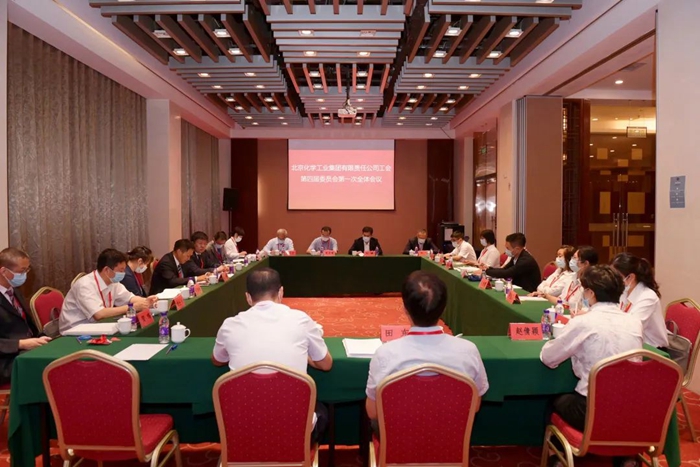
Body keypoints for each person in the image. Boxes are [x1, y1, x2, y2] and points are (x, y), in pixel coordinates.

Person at [211, 268, 332, 439]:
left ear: (248, 297)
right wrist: (305, 355)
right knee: (321, 410)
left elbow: (217, 360)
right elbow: (326, 364)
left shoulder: (229, 325)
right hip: (293, 428)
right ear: (281, 292)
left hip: (243, 427)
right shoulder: (301, 320)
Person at [540, 265, 643, 466]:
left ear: (590, 293)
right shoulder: (634, 322)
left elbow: (549, 358)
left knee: (553, 401)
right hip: (632, 407)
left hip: (591, 408)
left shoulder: (584, 322)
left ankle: (557, 458)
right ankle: (625, 457)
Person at [365, 271, 489, 421]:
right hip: (450, 433)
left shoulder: (385, 354)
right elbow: (474, 406)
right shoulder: (469, 351)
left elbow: (373, 412)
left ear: (405, 309)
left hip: (401, 433)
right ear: (443, 309)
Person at [59, 249, 156, 334]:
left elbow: (129, 298)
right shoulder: (85, 285)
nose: (123, 274)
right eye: (121, 271)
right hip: (75, 331)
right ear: (106, 270)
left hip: (99, 326)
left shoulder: (112, 282)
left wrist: (146, 301)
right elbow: (99, 314)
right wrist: (132, 307)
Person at [0, 248, 48, 385]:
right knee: (51, 368)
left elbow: (26, 323)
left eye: (27, 270)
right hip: (6, 359)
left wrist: (41, 338)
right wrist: (21, 344)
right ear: (4, 271)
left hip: (26, 349)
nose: (25, 275)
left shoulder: (13, 291)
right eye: (21, 271)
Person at [612, 253, 668, 349]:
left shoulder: (648, 297)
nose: (612, 280)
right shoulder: (625, 292)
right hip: (632, 343)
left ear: (630, 277)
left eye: (615, 276)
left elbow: (632, 328)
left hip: (652, 350)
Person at [552, 246, 599, 311]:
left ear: (586, 263)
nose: (571, 261)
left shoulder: (592, 283)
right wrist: (545, 295)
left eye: (575, 258)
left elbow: (589, 309)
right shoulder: (572, 277)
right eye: (572, 257)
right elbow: (562, 300)